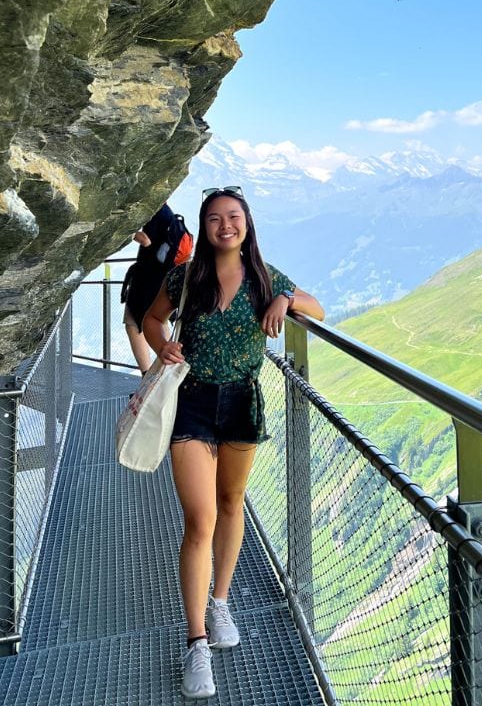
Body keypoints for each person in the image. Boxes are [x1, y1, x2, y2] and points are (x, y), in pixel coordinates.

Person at [143, 186, 324, 700]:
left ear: (247, 224)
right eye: (216, 218)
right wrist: (164, 347)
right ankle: (196, 641)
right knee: (200, 519)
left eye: (235, 216)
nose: (226, 225)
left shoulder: (267, 279)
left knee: (230, 503)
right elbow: (153, 318)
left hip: (242, 404)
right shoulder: (187, 276)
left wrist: (286, 300)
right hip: (193, 404)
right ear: (205, 227)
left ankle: (220, 602)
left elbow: (320, 309)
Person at [122, 203, 192, 373]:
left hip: (149, 278)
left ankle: (150, 373)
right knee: (159, 320)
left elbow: (146, 241)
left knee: (133, 323)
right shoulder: (168, 215)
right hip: (164, 276)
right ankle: (171, 371)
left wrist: (128, 233)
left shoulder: (154, 211)